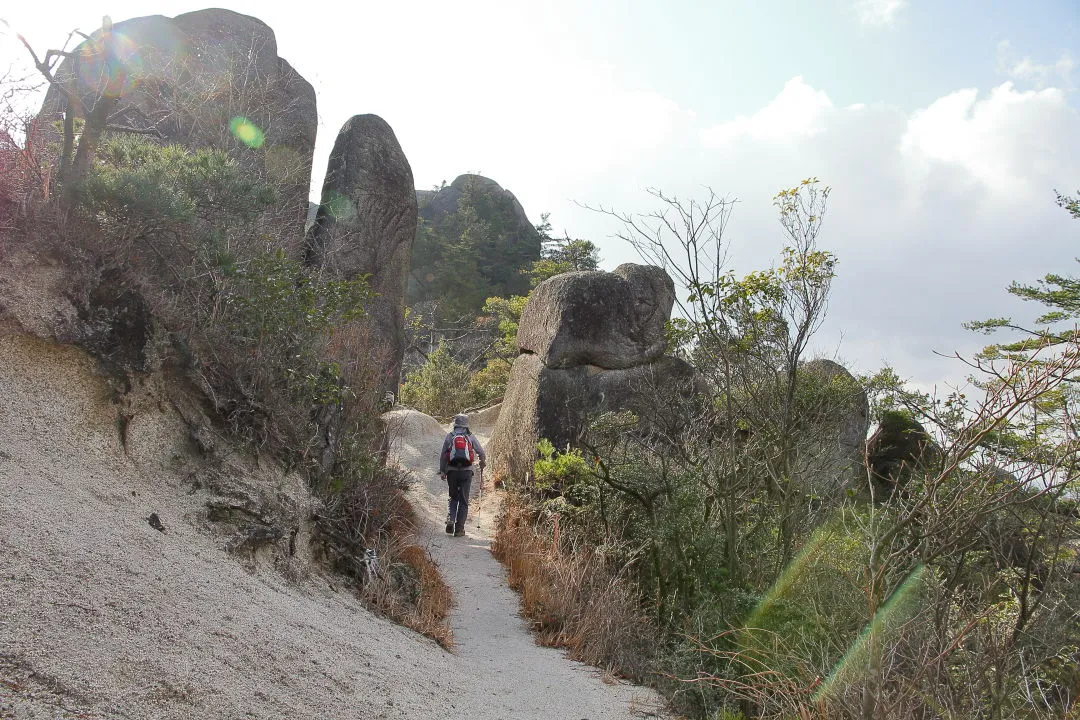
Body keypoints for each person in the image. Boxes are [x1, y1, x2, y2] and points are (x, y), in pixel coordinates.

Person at [439, 413, 486, 537]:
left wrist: (443, 471)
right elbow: (481, 452)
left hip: (452, 472)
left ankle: (451, 518)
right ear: (466, 424)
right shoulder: (470, 436)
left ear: (455, 423)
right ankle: (459, 529)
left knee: (453, 497)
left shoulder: (450, 436)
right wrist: (482, 462)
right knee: (464, 501)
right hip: (466, 471)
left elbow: (444, 454)